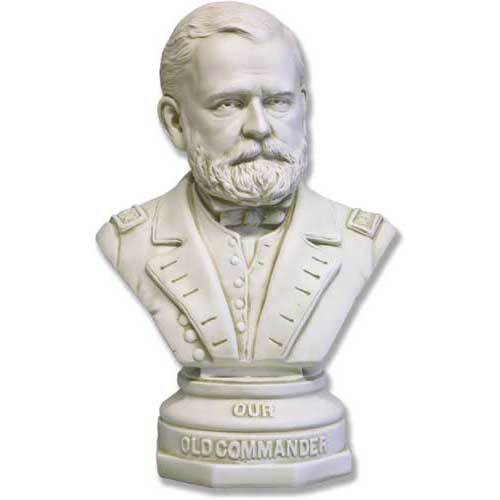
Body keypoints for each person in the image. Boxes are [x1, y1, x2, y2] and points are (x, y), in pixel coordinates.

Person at [96, 2, 396, 367]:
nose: (259, 127)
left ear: (303, 107)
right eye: (228, 104)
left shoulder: (359, 240)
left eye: (277, 102)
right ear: (176, 122)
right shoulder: (131, 240)